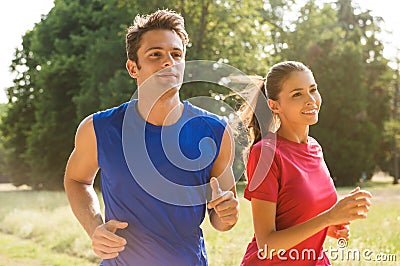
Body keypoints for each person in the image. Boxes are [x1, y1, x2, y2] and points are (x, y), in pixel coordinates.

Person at [64, 9, 239, 266]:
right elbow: (76, 180)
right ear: (133, 68)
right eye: (155, 54)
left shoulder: (215, 131)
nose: (168, 62)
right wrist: (94, 227)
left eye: (176, 54)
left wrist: (227, 216)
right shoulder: (99, 129)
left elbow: (222, 219)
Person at [239, 61, 372, 265]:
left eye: (313, 90)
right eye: (297, 94)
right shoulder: (266, 153)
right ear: (274, 106)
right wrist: (328, 218)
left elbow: (297, 216)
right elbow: (266, 245)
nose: (311, 100)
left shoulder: (315, 148)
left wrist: (330, 226)